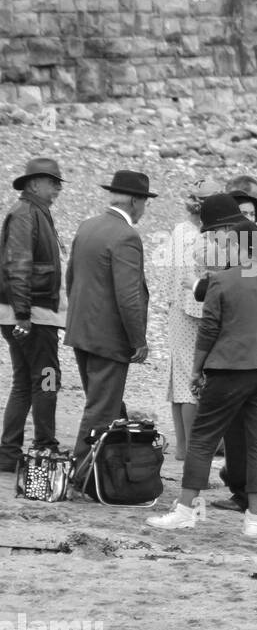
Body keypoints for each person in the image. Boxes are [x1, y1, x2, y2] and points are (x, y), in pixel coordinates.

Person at [147, 195, 257, 538]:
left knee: (202, 439)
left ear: (239, 247)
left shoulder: (221, 282)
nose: (222, 250)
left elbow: (209, 331)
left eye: (225, 245)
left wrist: (196, 371)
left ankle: (186, 509)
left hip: (229, 367)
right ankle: (255, 520)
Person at [64, 169, 155, 463]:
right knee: (101, 408)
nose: (144, 209)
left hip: (82, 329)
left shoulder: (88, 225)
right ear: (135, 201)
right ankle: (81, 470)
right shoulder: (127, 236)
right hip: (108, 337)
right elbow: (128, 296)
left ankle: (107, 465)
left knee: (102, 403)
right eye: (144, 202)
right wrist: (138, 339)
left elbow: (71, 278)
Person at [0, 158, 66, 472]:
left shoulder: (33, 212)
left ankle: (9, 453)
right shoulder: (26, 213)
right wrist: (24, 314)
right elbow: (18, 264)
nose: (57, 189)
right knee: (47, 380)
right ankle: (44, 447)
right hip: (32, 315)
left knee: (26, 383)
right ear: (35, 183)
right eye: (54, 183)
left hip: (26, 313)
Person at [158, 183, 210, 460]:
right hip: (197, 310)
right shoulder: (203, 237)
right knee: (194, 380)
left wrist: (170, 300)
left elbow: (167, 272)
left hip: (176, 307)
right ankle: (191, 448)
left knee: (178, 377)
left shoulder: (178, 231)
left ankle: (182, 445)